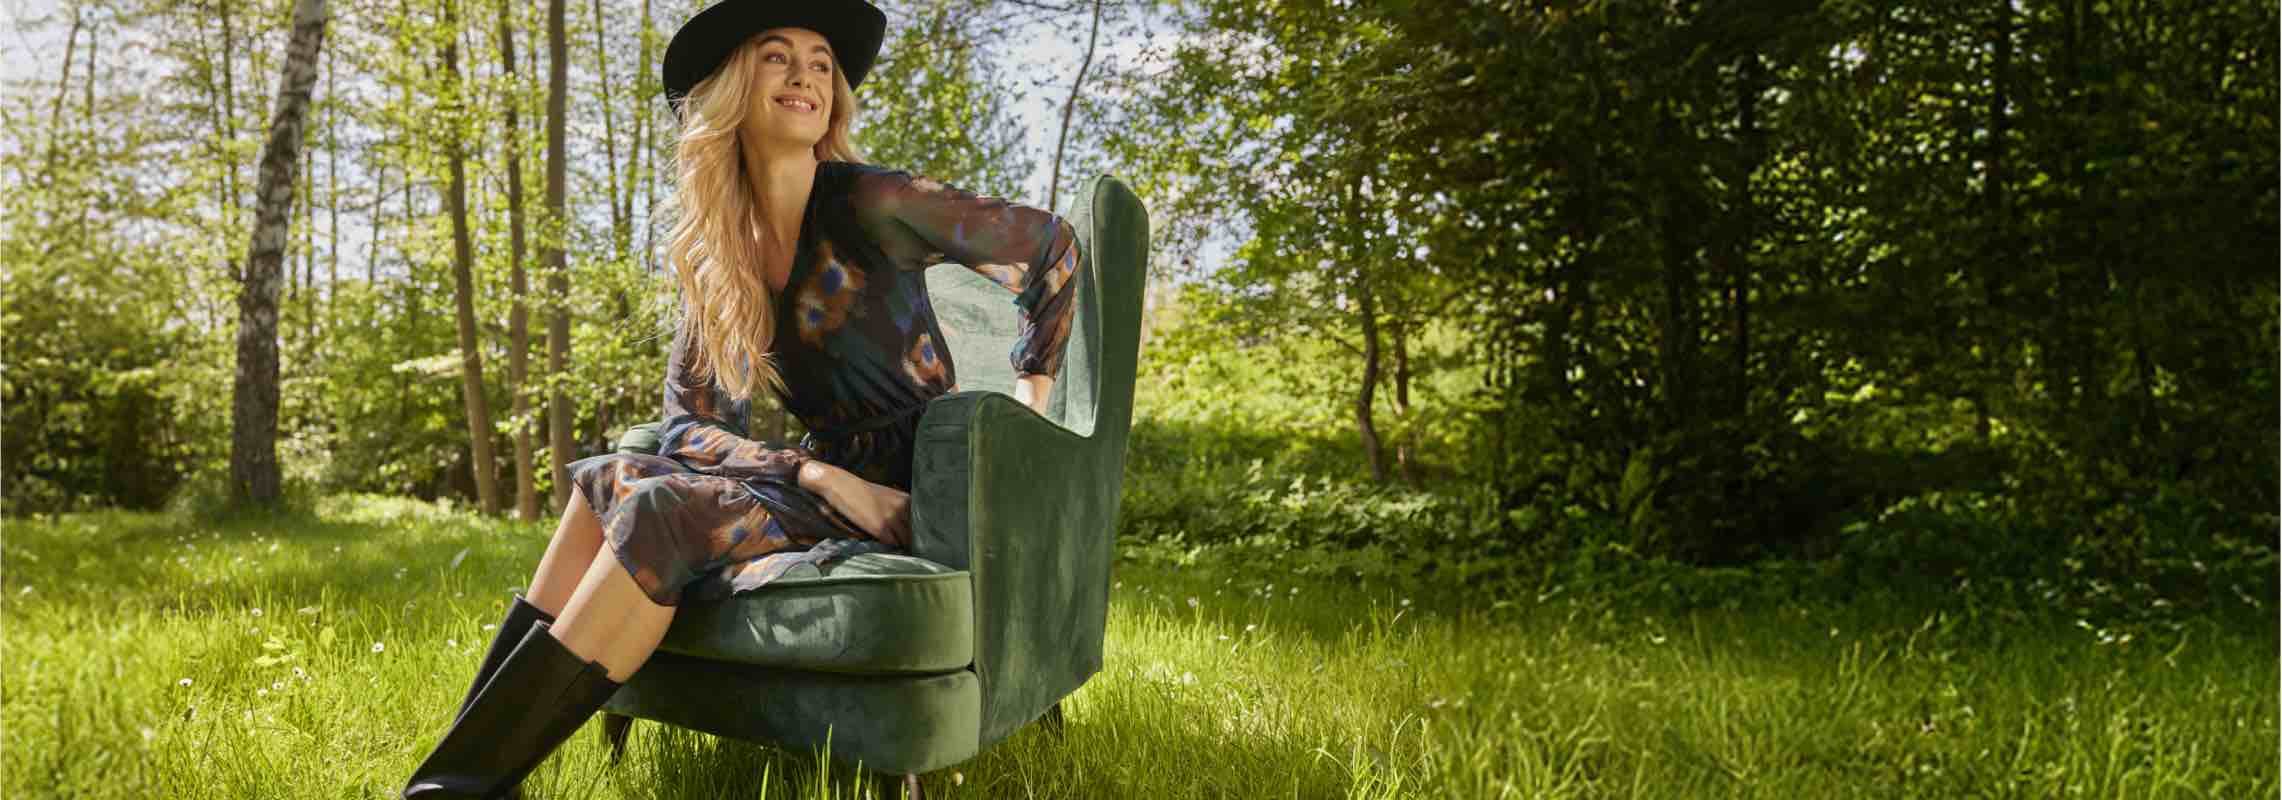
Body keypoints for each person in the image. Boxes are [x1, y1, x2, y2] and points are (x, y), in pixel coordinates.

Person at [399, 0, 1084, 795]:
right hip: (834, 486)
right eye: (776, 56)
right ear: (731, 84)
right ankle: (460, 782)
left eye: (821, 62)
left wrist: (1025, 409)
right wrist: (814, 474)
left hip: (924, 490)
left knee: (660, 511)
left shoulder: (872, 201)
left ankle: (460, 786)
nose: (805, 76)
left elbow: (1052, 249)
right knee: (609, 478)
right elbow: (687, 427)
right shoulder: (719, 250)